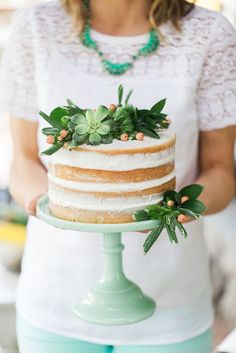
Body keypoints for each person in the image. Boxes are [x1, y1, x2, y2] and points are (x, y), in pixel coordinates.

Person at [0, 0, 236, 352]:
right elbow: (24, 160)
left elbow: (220, 170)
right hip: (56, 300)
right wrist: (49, 203)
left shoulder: (210, 33)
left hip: (172, 304)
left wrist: (183, 208)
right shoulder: (35, 25)